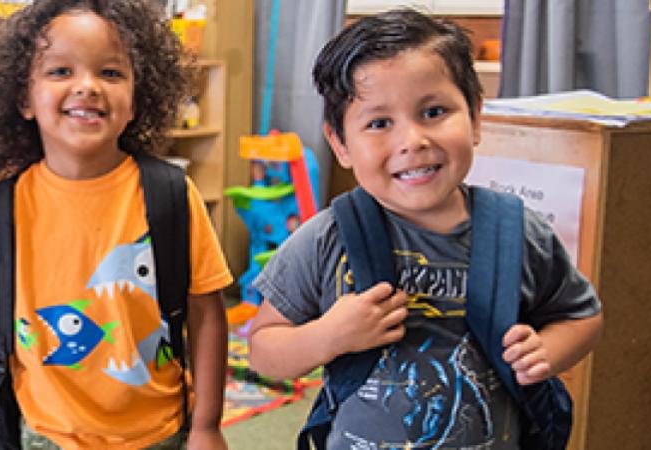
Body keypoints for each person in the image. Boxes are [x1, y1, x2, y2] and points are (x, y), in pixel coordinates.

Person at [245, 8, 604, 449]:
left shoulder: (518, 233)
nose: (412, 140)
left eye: (433, 111)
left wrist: (548, 351)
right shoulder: (326, 237)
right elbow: (263, 349)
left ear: (474, 117)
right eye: (379, 123)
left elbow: (582, 316)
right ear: (340, 143)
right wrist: (326, 337)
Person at [0, 1, 233, 448]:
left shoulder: (170, 194)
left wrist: (207, 425)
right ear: (24, 99)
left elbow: (206, 313)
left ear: (137, 100)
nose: (88, 87)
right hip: (44, 433)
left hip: (155, 433)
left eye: (111, 73)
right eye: (60, 72)